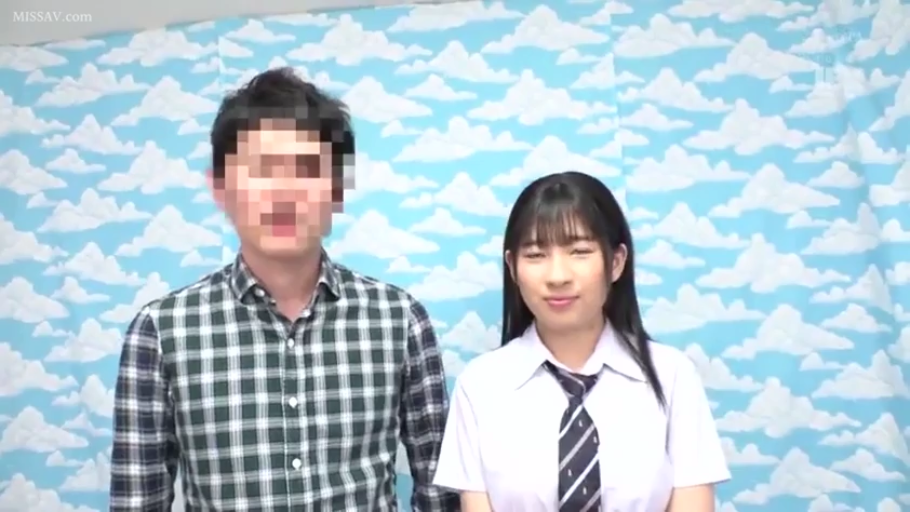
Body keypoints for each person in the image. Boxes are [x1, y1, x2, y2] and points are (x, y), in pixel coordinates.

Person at [109, 67, 459, 512]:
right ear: (220, 189)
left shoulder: (399, 319)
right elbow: (137, 502)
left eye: (307, 171)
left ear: (337, 190)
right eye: (260, 170)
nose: (283, 193)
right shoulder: (161, 331)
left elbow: (440, 490)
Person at [433, 171, 730, 512]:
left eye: (579, 251)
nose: (558, 276)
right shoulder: (481, 385)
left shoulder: (672, 375)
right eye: (536, 255)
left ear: (616, 262)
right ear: (512, 267)